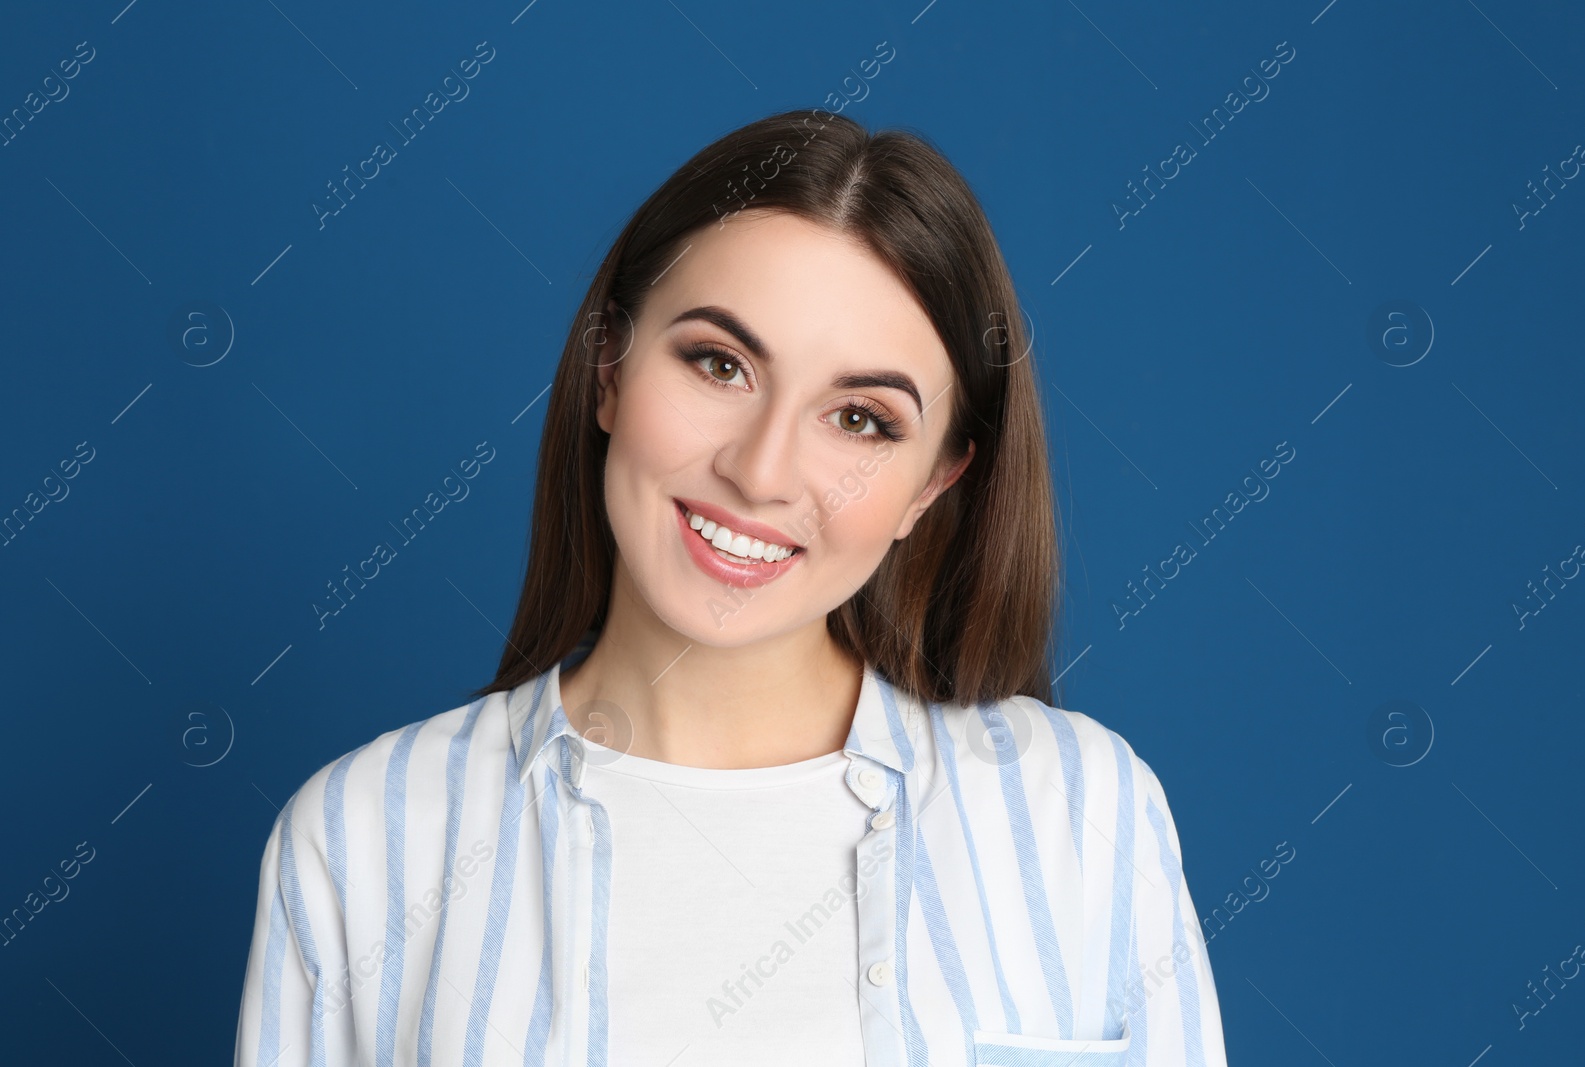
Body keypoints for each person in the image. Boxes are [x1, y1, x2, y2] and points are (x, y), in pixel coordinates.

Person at [234, 107, 1228, 1067]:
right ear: (607, 369)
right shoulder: (361, 839)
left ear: (931, 483)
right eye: (719, 363)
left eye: (861, 419)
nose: (759, 471)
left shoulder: (1086, 815)